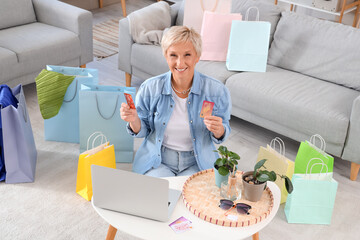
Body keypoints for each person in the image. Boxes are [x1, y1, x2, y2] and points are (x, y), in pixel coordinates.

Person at [120, 26, 231, 177]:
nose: (180, 63)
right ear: (166, 56)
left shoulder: (216, 91)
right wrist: (134, 120)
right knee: (158, 197)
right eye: (173, 55)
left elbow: (222, 131)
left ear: (197, 56)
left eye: (187, 55)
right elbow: (143, 130)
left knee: (192, 199)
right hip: (158, 160)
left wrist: (219, 130)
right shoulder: (150, 88)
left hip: (197, 162)